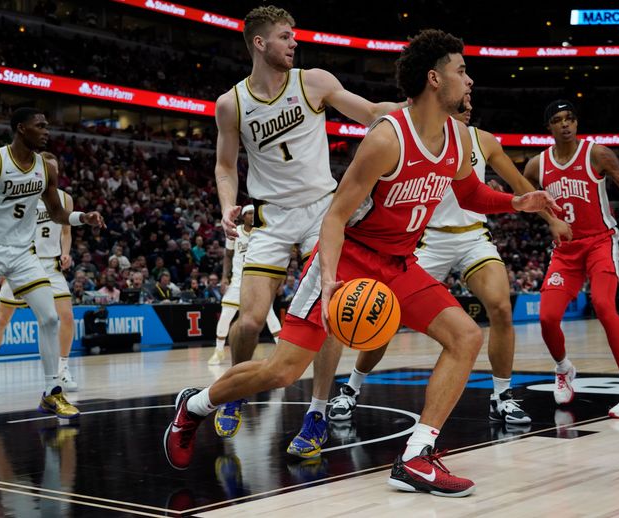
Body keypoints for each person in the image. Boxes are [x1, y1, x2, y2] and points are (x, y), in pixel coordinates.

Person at [164, 28, 557, 496]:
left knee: (465, 336)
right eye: (461, 70)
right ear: (434, 79)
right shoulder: (388, 139)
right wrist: (328, 280)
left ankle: (416, 456)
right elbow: (335, 216)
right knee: (283, 370)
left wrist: (516, 203)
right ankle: (196, 405)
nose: (469, 80)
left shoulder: (457, 137)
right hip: (350, 257)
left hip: (398, 262)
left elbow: (470, 193)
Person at [212, 5, 406, 445]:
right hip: (270, 217)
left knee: (333, 314)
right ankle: (233, 393)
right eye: (285, 36)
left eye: (294, 36)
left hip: (323, 210)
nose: (294, 43)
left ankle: (316, 413)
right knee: (248, 322)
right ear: (260, 43)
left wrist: (418, 107)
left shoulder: (313, 81)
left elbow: (373, 111)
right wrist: (227, 204)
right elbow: (226, 166)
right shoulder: (231, 104)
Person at [324, 101, 573, 428]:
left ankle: (502, 395)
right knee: (385, 310)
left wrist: (550, 219)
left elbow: (518, 185)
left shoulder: (481, 140)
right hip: (427, 238)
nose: (468, 100)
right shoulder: (416, 137)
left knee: (500, 306)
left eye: (471, 94)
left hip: (472, 236)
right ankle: (352, 387)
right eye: (462, 90)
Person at [523, 100, 619, 419]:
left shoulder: (597, 154)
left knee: (604, 305)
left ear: (576, 123)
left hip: (599, 243)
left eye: (570, 118)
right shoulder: (536, 166)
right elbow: (528, 199)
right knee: (547, 318)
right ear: (548, 127)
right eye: (557, 119)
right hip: (565, 249)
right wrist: (550, 220)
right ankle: (564, 369)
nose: (565, 124)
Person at [0, 108, 103, 427]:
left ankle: (51, 391)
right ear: (21, 129)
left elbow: (58, 213)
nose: (47, 131)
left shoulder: (46, 169)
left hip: (23, 254)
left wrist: (82, 218)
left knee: (49, 318)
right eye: (40, 126)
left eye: (47, 125)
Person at [0, 152, 79, 397]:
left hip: (50, 267)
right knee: (1, 320)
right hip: (22, 263)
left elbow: (66, 232)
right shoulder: (22, 196)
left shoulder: (64, 198)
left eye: (54, 169)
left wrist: (66, 252)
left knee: (67, 317)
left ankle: (63, 369)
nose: (51, 173)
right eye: (46, 168)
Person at [209, 206, 281, 365]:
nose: (252, 216)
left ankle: (281, 349)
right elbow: (228, 256)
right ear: (243, 216)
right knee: (226, 314)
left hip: (257, 279)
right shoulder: (235, 231)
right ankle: (219, 351)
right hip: (237, 280)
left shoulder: (262, 232)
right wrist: (224, 278)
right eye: (248, 213)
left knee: (269, 314)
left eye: (253, 213)